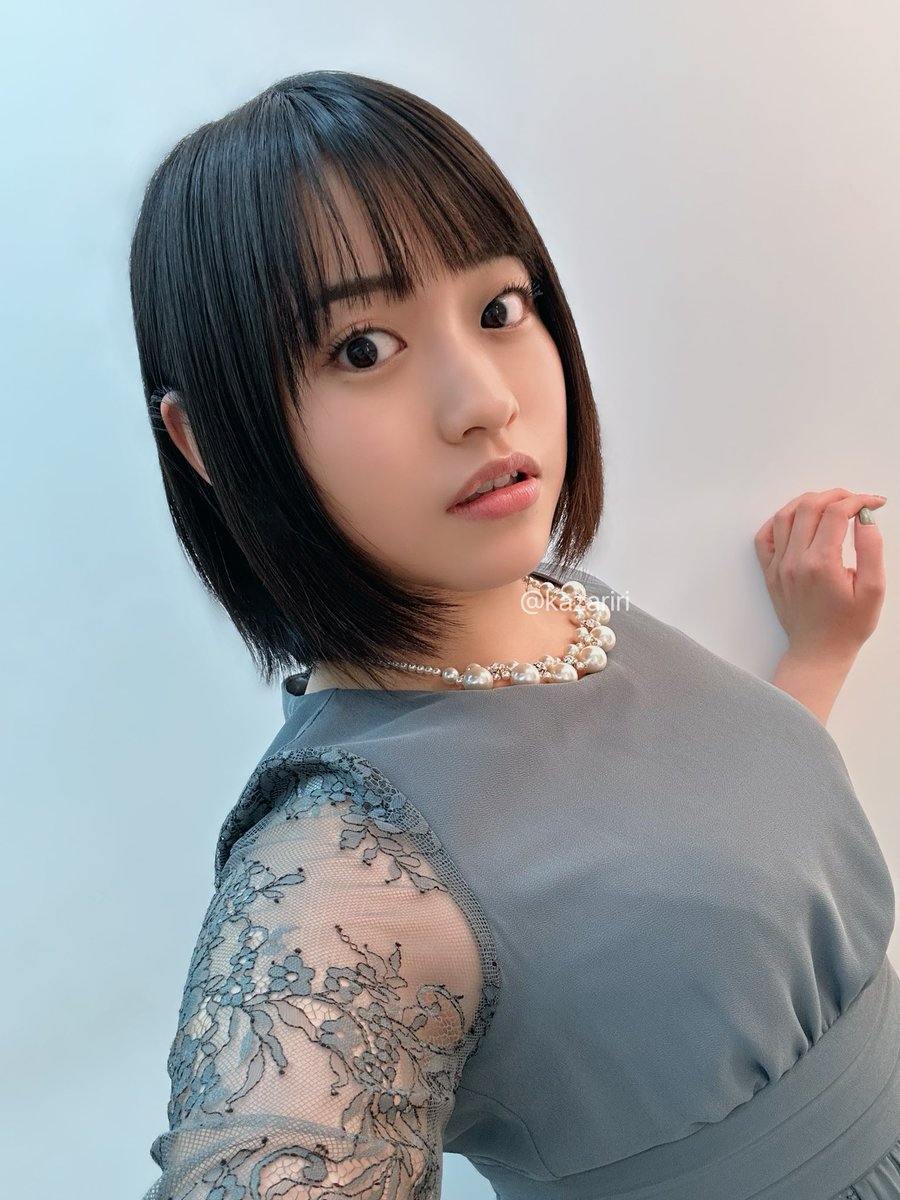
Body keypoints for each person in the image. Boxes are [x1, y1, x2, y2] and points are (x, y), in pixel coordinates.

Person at [130, 70, 896, 1200]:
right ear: (208, 442)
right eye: (361, 349)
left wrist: (815, 657)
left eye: (498, 309)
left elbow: (684, 878)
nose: (484, 400)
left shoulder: (562, 607)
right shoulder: (344, 868)